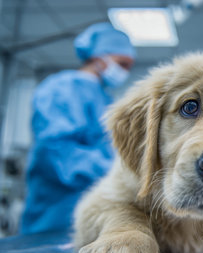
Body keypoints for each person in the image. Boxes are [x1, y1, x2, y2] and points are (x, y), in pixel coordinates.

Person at [21, 23, 136, 234]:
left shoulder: (106, 99)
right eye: (122, 63)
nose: (125, 71)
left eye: (129, 66)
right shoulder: (61, 88)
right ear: (100, 58)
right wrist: (121, 173)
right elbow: (56, 152)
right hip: (56, 215)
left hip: (95, 214)